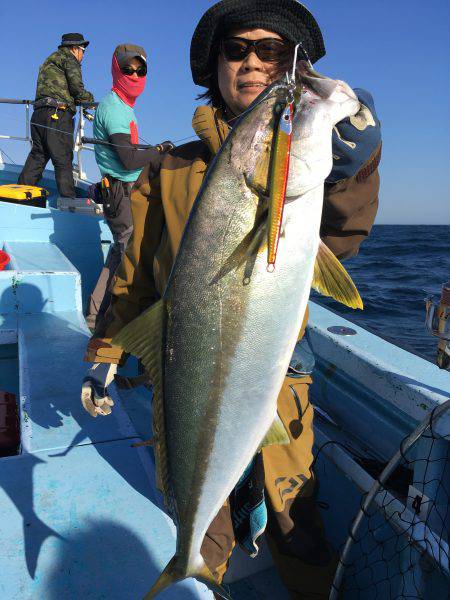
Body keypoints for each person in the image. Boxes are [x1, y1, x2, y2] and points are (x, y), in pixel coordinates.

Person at [81, 1, 382, 597]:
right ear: (215, 66)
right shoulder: (168, 170)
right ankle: (194, 570)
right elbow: (136, 274)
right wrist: (108, 350)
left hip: (280, 383)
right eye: (236, 49)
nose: (251, 62)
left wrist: (355, 168)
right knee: (203, 520)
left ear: (288, 66)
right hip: (186, 369)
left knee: (298, 523)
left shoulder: (309, 172)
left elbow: (339, 241)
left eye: (270, 50)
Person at [85, 44, 173, 331]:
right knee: (125, 255)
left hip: (126, 190)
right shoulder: (114, 109)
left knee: (120, 252)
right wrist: (160, 150)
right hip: (119, 192)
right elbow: (127, 158)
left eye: (140, 70)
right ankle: (105, 326)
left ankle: (98, 315)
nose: (134, 75)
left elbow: (130, 153)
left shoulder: (123, 107)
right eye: (128, 69)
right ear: (116, 71)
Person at [18, 33, 94, 199]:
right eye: (83, 50)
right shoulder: (69, 59)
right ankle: (69, 203)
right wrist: (91, 101)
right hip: (57, 115)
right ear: (75, 48)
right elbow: (77, 90)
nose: (83, 55)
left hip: (39, 114)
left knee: (38, 155)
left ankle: (19, 195)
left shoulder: (50, 59)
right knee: (63, 158)